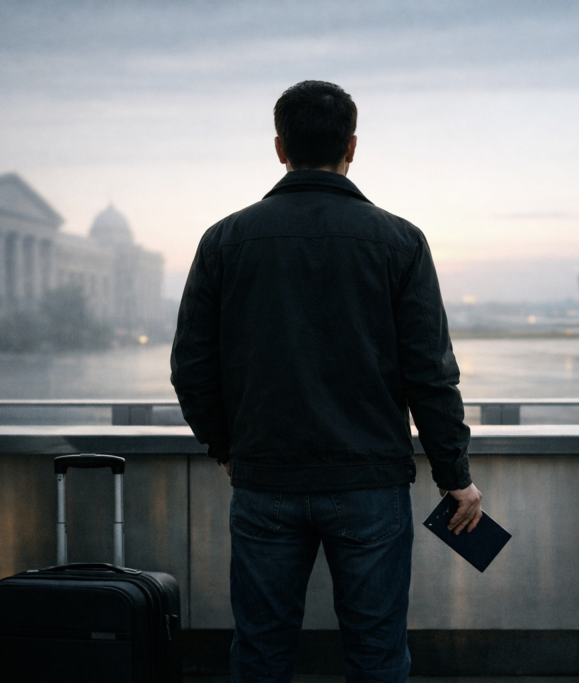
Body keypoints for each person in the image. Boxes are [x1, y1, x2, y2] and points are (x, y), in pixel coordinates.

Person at [171, 80, 482, 683]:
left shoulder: (225, 240)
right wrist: (456, 477)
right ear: (353, 146)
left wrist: (226, 448)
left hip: (265, 480)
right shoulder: (400, 241)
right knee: (376, 654)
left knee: (260, 652)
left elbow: (191, 366)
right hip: (369, 484)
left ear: (281, 148)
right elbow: (430, 374)